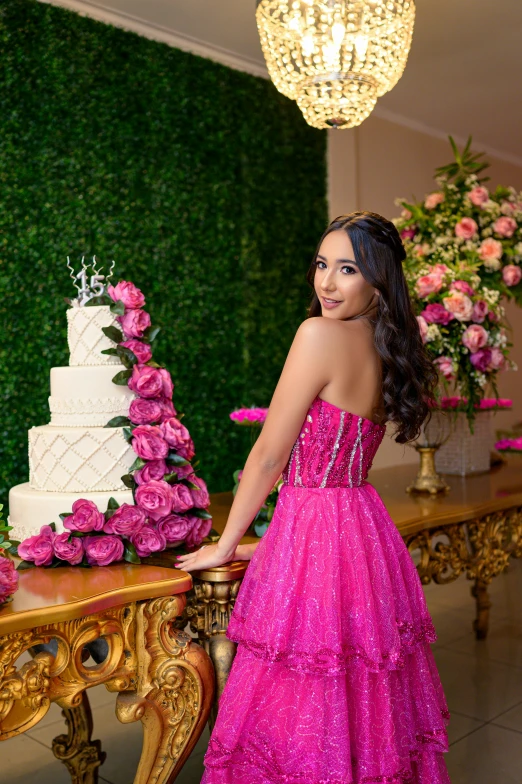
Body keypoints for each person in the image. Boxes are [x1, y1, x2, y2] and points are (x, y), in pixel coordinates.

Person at [175, 211, 451, 783]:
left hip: (316, 531)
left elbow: (270, 458)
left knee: (302, 688)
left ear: (377, 280)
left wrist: (225, 544)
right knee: (358, 689)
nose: (326, 283)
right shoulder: (387, 344)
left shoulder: (317, 335)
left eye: (346, 269)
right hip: (362, 528)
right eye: (322, 265)